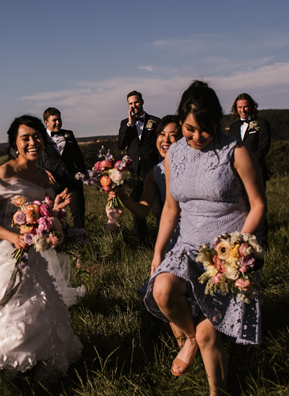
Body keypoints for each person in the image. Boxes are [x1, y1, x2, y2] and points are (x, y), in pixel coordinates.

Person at [144, 81, 266, 396]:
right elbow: (171, 206)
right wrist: (159, 252)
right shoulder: (175, 155)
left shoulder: (236, 152)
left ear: (217, 122)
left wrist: (236, 251)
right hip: (186, 244)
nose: (197, 137)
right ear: (180, 121)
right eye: (189, 129)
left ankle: (219, 390)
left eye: (205, 130)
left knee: (210, 332)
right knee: (162, 290)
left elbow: (258, 205)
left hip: (226, 248)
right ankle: (191, 339)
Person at [0, 115, 83, 395]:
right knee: (12, 311)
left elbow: (41, 215)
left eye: (37, 136)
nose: (33, 142)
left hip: (34, 253)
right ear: (15, 144)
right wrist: (15, 238)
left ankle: (38, 364)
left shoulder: (44, 176)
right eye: (25, 138)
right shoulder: (3, 173)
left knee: (42, 307)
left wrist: (55, 213)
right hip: (7, 253)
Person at [111, 115, 187, 346]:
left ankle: (205, 342)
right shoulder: (154, 173)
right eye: (162, 134)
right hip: (171, 240)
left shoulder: (196, 165)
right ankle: (183, 344)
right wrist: (122, 195)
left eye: (174, 135)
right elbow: (143, 210)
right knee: (165, 293)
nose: (166, 140)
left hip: (199, 235)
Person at [117, 90, 160, 245]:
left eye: (136, 102)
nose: (134, 106)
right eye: (130, 103)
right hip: (133, 172)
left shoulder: (155, 121)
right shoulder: (125, 123)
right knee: (136, 208)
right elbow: (121, 144)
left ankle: (162, 239)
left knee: (157, 208)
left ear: (142, 102)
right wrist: (130, 124)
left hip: (152, 169)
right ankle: (143, 241)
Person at [227, 93, 271, 247]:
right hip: (235, 174)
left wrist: (248, 163)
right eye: (239, 107)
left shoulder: (262, 123)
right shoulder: (232, 127)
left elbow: (263, 147)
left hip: (256, 172)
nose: (242, 110)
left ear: (252, 107)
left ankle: (263, 244)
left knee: (257, 206)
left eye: (245, 106)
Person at [40, 107, 87, 232]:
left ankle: (80, 240)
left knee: (78, 212)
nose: (58, 123)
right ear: (46, 122)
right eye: (54, 120)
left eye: (59, 119)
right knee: (52, 216)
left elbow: (78, 156)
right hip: (53, 183)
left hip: (72, 181)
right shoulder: (39, 138)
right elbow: (34, 160)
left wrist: (81, 172)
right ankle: (59, 243)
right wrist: (43, 171)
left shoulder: (69, 134)